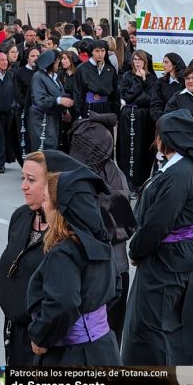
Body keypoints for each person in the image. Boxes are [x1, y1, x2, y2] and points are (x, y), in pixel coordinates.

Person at [122, 109, 193, 385]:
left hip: (167, 257)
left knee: (154, 324)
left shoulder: (180, 174)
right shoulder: (179, 167)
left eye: (159, 135)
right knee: (173, 324)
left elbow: (158, 223)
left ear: (169, 139)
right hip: (178, 254)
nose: (155, 140)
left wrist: (136, 249)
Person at [26, 166, 122, 385]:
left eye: (47, 200)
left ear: (63, 209)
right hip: (104, 351)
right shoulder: (101, 243)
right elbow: (115, 288)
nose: (43, 206)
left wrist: (41, 336)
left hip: (70, 357)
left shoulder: (65, 252)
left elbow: (63, 303)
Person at [0, 150, 86, 385]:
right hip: (17, 334)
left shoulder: (67, 233)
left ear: (52, 184)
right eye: (23, 178)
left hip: (47, 341)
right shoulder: (20, 217)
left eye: (31, 180)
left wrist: (42, 333)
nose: (24, 186)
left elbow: (69, 297)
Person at [69, 112, 136, 346]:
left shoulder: (86, 182)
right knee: (109, 337)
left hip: (97, 274)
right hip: (115, 269)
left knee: (93, 339)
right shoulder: (115, 175)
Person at [117, 50, 157, 192]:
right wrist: (139, 84)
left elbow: (150, 98)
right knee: (128, 149)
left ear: (145, 62)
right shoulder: (127, 76)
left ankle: (142, 181)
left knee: (143, 148)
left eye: (140, 60)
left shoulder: (152, 78)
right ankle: (128, 182)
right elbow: (126, 96)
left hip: (145, 119)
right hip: (129, 117)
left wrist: (145, 81)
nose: (137, 62)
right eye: (135, 59)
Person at [29, 50, 74, 152]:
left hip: (54, 118)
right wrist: (59, 100)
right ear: (51, 63)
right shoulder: (38, 77)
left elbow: (59, 93)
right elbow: (40, 99)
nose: (60, 63)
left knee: (54, 146)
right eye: (58, 61)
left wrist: (64, 111)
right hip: (42, 119)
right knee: (45, 147)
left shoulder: (54, 77)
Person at [74, 40, 120, 118]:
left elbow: (115, 92)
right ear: (91, 52)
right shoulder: (82, 68)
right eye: (97, 51)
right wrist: (78, 112)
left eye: (103, 51)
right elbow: (78, 91)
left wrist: (116, 112)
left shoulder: (110, 69)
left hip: (106, 108)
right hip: (88, 106)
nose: (100, 54)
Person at [13, 47, 40, 160]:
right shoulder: (20, 72)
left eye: (37, 56)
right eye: (32, 56)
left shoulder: (41, 72)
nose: (35, 58)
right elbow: (18, 93)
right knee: (26, 138)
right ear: (27, 58)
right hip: (25, 110)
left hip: (40, 111)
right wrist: (28, 105)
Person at [150, 53, 186, 121]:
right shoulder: (160, 82)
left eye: (166, 62)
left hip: (182, 122)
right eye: (163, 62)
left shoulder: (185, 83)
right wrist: (162, 119)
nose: (163, 65)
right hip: (164, 122)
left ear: (174, 64)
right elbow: (155, 104)